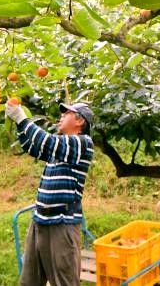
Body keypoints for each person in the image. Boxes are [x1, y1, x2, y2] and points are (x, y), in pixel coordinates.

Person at [6, 98, 95, 286]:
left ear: (80, 121)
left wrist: (21, 117)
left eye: (66, 113)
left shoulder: (82, 144)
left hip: (62, 224)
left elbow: (48, 141)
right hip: (40, 221)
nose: (60, 117)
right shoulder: (59, 149)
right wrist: (17, 123)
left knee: (64, 280)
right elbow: (32, 147)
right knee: (30, 280)